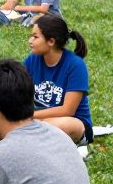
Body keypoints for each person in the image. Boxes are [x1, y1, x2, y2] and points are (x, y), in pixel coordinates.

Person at [25, 14, 92, 145]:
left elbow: (67, 110)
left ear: (51, 41)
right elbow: (18, 91)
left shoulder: (75, 65)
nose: (30, 40)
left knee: (54, 126)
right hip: (38, 119)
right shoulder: (32, 60)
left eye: (35, 37)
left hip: (72, 121)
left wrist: (29, 116)